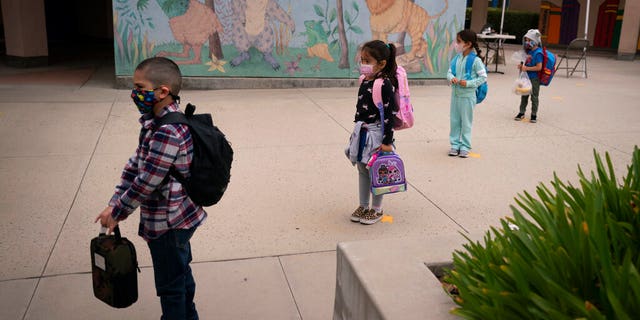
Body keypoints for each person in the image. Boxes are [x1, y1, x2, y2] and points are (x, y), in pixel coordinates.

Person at [95, 57, 205, 320]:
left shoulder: (168, 130)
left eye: (139, 86)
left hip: (169, 223)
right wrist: (114, 201)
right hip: (176, 218)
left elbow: (147, 181)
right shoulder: (153, 121)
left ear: (163, 91)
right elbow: (136, 164)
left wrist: (119, 211)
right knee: (180, 274)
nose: (135, 93)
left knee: (171, 288)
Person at [345, 40, 398, 225]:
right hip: (362, 132)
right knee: (362, 168)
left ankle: (377, 209)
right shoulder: (364, 80)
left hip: (377, 134)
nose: (363, 65)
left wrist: (387, 141)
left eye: (367, 61)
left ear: (381, 63)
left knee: (377, 170)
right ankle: (363, 205)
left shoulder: (384, 84)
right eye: (362, 60)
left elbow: (389, 116)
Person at [447, 29, 487, 158]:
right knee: (454, 120)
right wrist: (451, 78)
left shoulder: (476, 61)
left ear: (468, 44)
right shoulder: (457, 58)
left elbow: (483, 78)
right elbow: (449, 72)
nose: (456, 44)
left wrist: (468, 83)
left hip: (468, 97)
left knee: (466, 122)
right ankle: (454, 145)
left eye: (459, 41)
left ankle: (465, 146)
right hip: (455, 95)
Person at [515, 29, 544, 123]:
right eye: (526, 40)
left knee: (534, 97)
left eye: (529, 40)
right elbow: (525, 63)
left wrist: (526, 68)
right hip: (526, 78)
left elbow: (539, 67)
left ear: (535, 41)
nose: (527, 42)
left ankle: (534, 114)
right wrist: (521, 66)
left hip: (534, 78)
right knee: (524, 95)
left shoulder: (538, 53)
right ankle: (521, 112)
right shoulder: (528, 51)